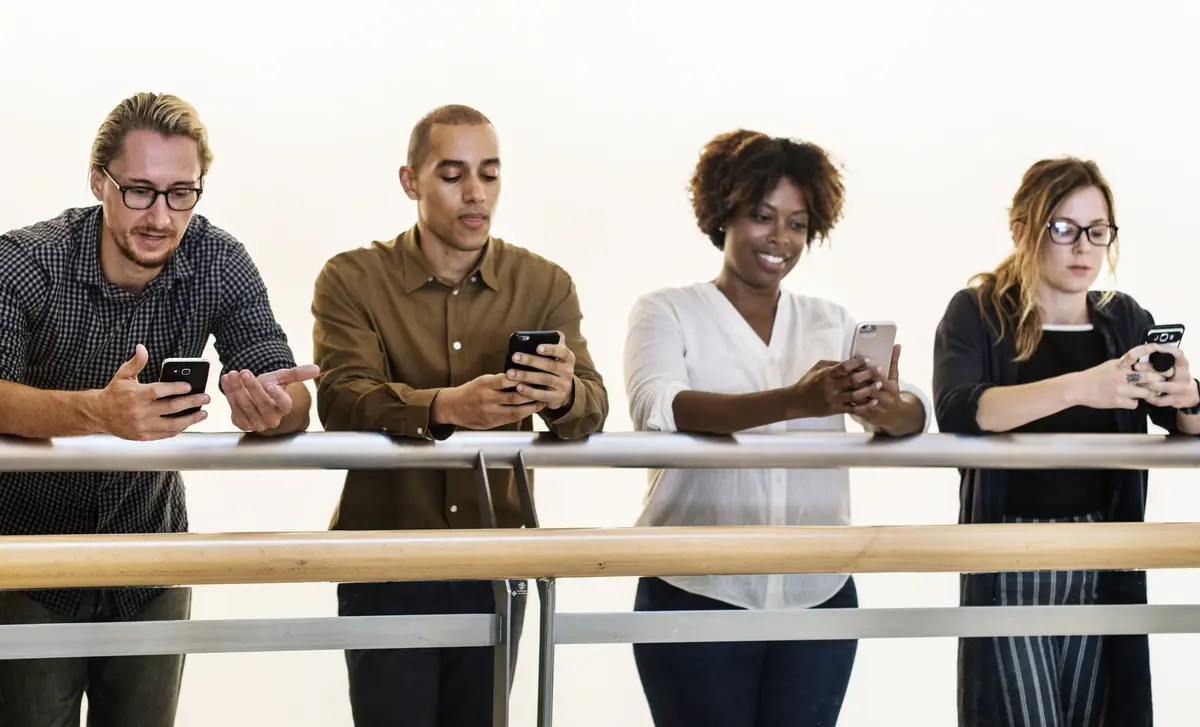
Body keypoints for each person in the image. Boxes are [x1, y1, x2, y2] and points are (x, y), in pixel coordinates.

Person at [0, 92, 319, 726]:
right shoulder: (25, 260)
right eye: (140, 191)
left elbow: (292, 399)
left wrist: (270, 407)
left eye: (182, 193)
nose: (162, 216)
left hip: (152, 564)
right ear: (99, 181)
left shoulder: (218, 259)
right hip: (27, 566)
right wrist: (97, 413)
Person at [311, 103, 608, 727]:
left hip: (497, 563)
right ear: (410, 181)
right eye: (452, 174)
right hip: (384, 561)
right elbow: (341, 397)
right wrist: (445, 407)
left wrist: (562, 395)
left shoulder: (545, 282)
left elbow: (592, 407)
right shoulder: (351, 278)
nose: (476, 194)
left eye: (490, 173)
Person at [623, 129, 931, 727]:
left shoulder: (829, 319)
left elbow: (914, 411)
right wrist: (793, 401)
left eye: (796, 222)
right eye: (762, 217)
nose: (780, 239)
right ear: (723, 214)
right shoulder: (667, 311)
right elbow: (658, 406)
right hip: (695, 592)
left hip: (818, 594)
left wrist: (885, 408)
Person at [933, 156, 1200, 727]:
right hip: (1008, 553)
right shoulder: (979, 313)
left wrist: (1186, 394)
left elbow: (1182, 422)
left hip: (1107, 552)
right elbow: (961, 409)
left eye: (1097, 232)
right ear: (1022, 229)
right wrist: (1084, 386)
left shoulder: (1122, 318)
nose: (1082, 247)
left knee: (1103, 710)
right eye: (1063, 229)